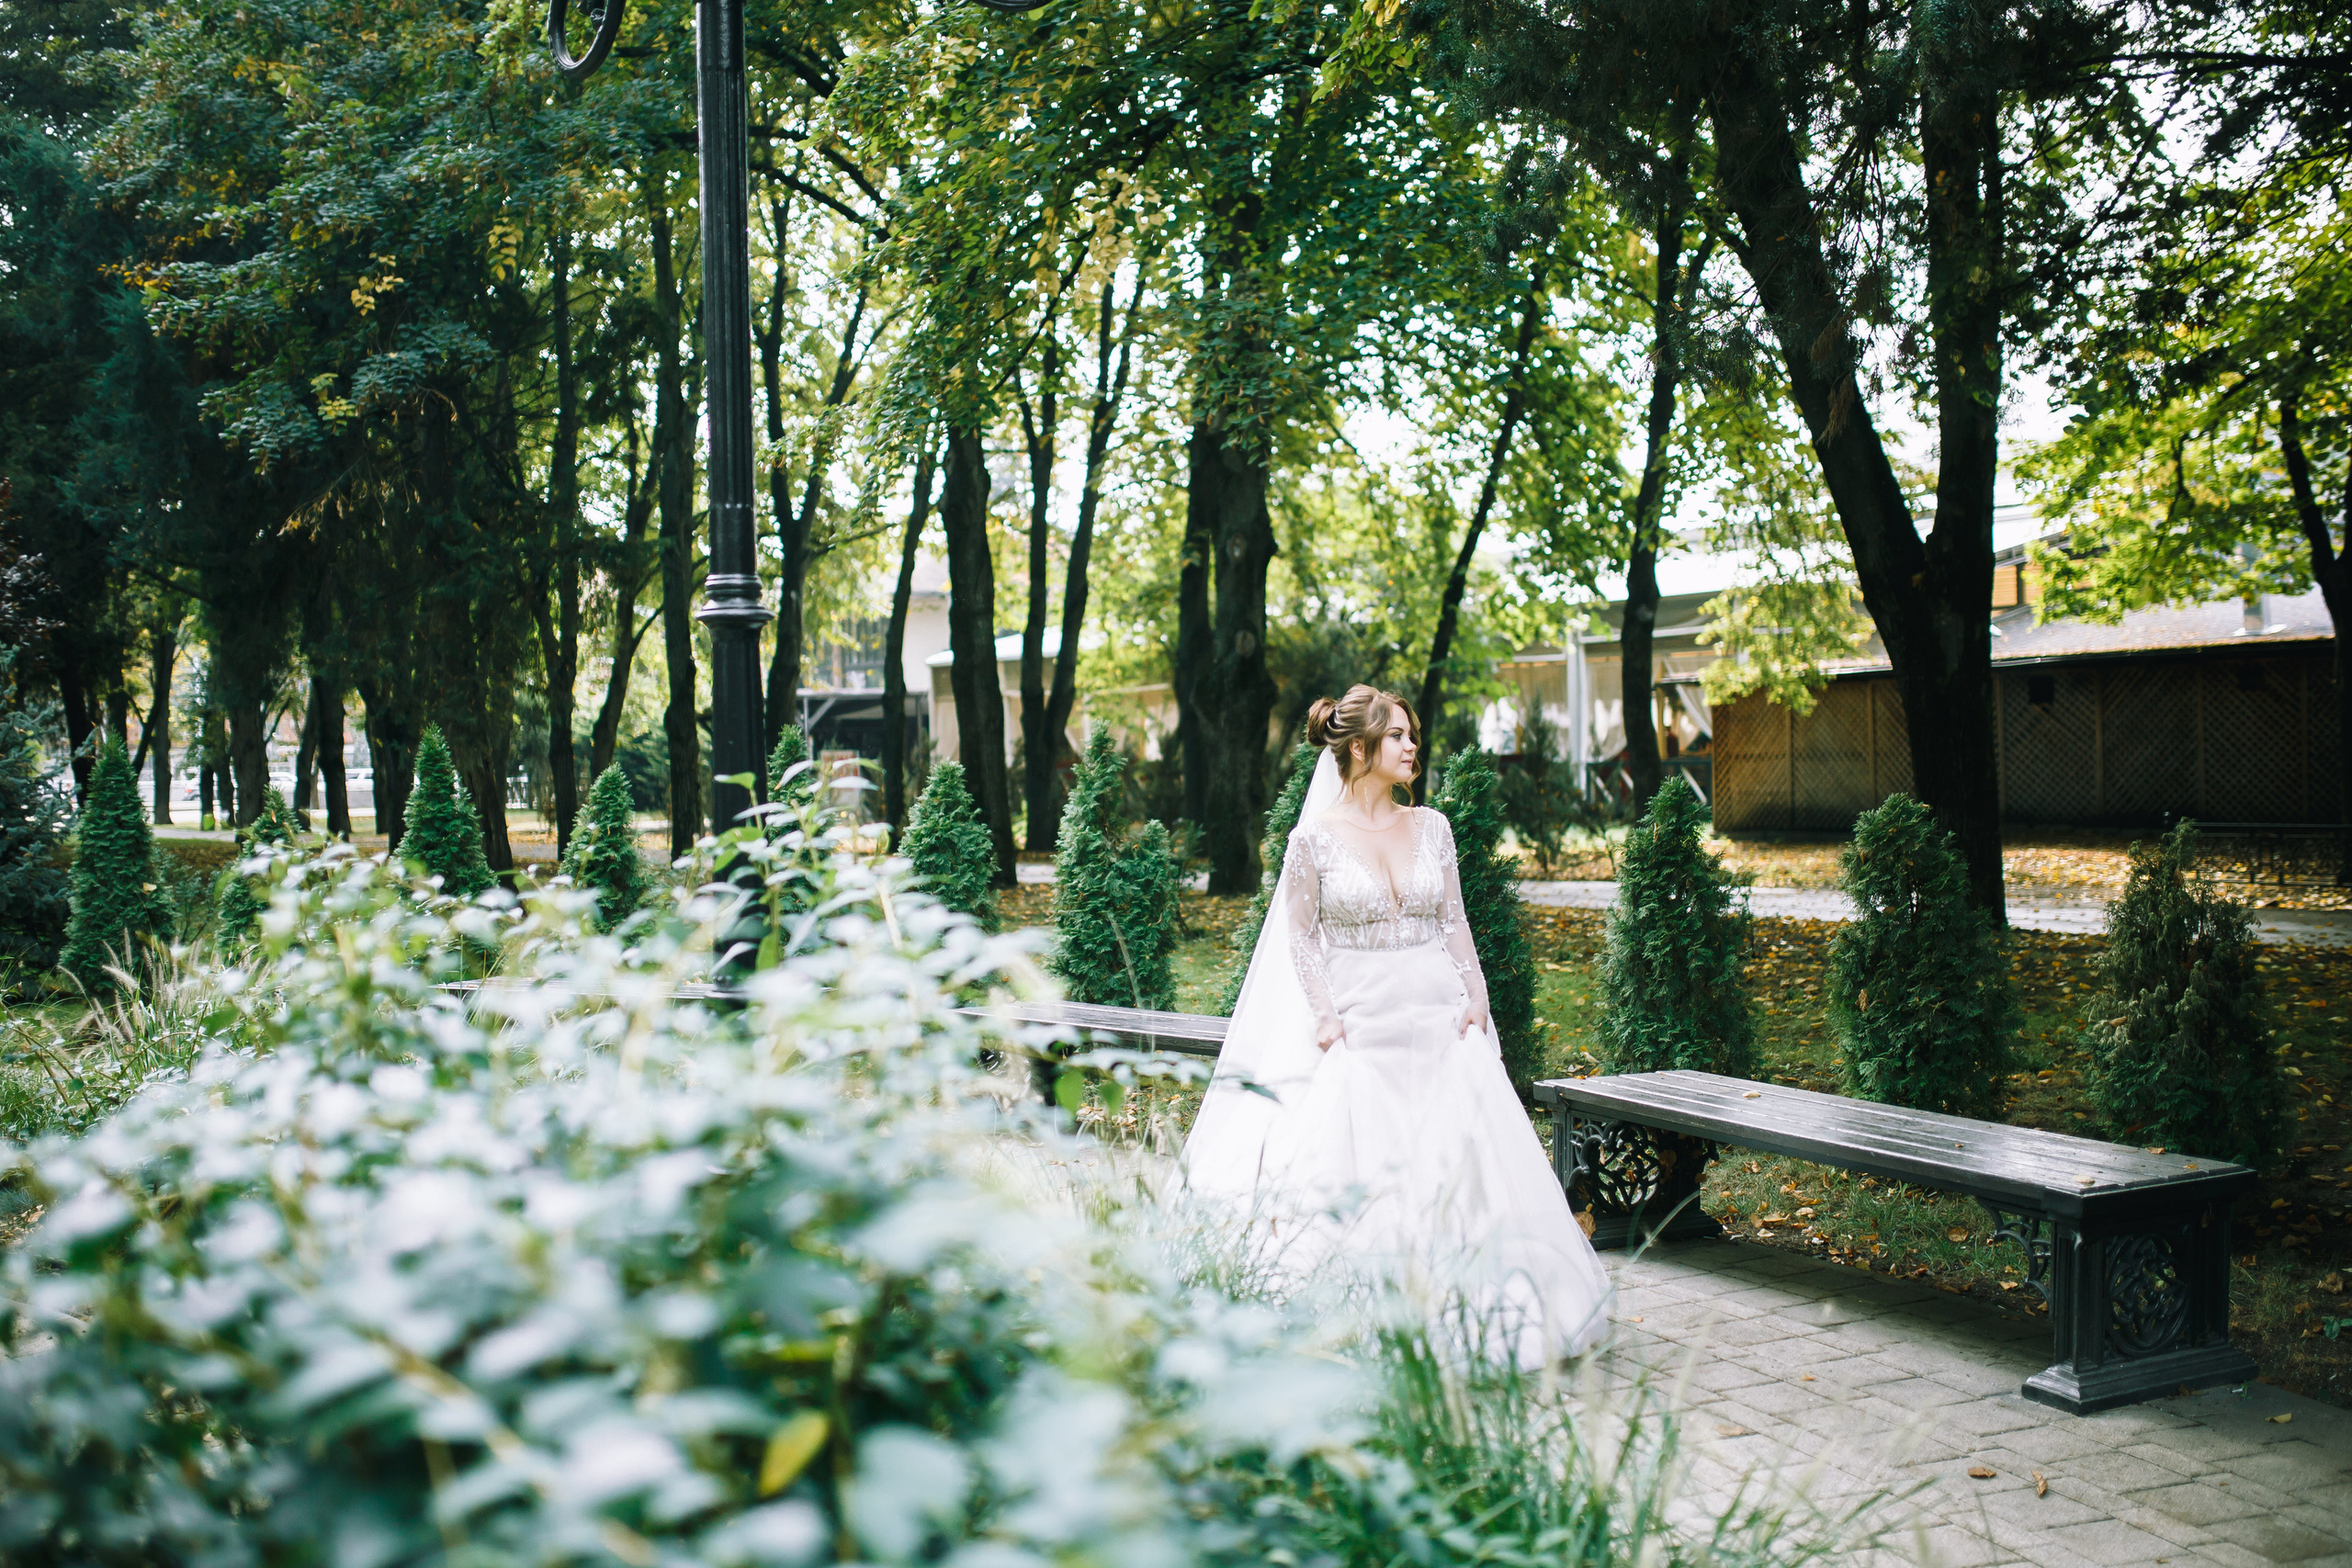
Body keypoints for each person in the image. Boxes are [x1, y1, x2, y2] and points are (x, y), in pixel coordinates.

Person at [1182, 684, 1611, 1364]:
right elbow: (1300, 937)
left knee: (1463, 1159)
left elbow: (1454, 920)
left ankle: (1483, 1305)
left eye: (1412, 736)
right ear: (1360, 748)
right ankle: (1369, 1311)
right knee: (1369, 1163)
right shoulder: (1313, 839)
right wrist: (1324, 1015)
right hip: (1360, 1024)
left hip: (1439, 1018)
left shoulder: (1432, 827)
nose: (1413, 747)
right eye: (1399, 737)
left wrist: (1478, 995)